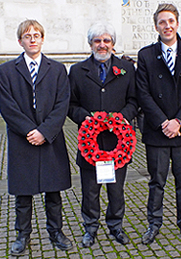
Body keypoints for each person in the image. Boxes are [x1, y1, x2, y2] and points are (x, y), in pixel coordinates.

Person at [0, 19, 73, 256]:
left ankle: (56, 231)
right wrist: (31, 131)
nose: (32, 39)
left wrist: (45, 131)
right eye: (27, 36)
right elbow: (7, 107)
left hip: (50, 139)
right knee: (23, 193)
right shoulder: (6, 70)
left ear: (42, 38)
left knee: (53, 191)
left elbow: (62, 104)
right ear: (20, 41)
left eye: (36, 35)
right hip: (23, 139)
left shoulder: (58, 70)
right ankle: (22, 234)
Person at [136, 4, 181, 245]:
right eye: (162, 22)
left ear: (177, 23)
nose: (167, 26)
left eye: (171, 21)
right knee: (157, 181)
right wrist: (164, 122)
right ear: (156, 26)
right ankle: (154, 224)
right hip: (158, 130)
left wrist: (179, 121)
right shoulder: (145, 55)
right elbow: (143, 93)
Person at [68, 22, 138, 247]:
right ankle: (90, 227)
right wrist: (85, 118)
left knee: (116, 190)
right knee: (90, 191)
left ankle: (116, 226)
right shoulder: (77, 71)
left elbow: (134, 101)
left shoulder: (126, 70)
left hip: (118, 145)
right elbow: (70, 104)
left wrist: (122, 118)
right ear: (90, 44)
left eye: (106, 40)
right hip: (91, 145)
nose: (102, 45)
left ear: (113, 44)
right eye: (97, 41)